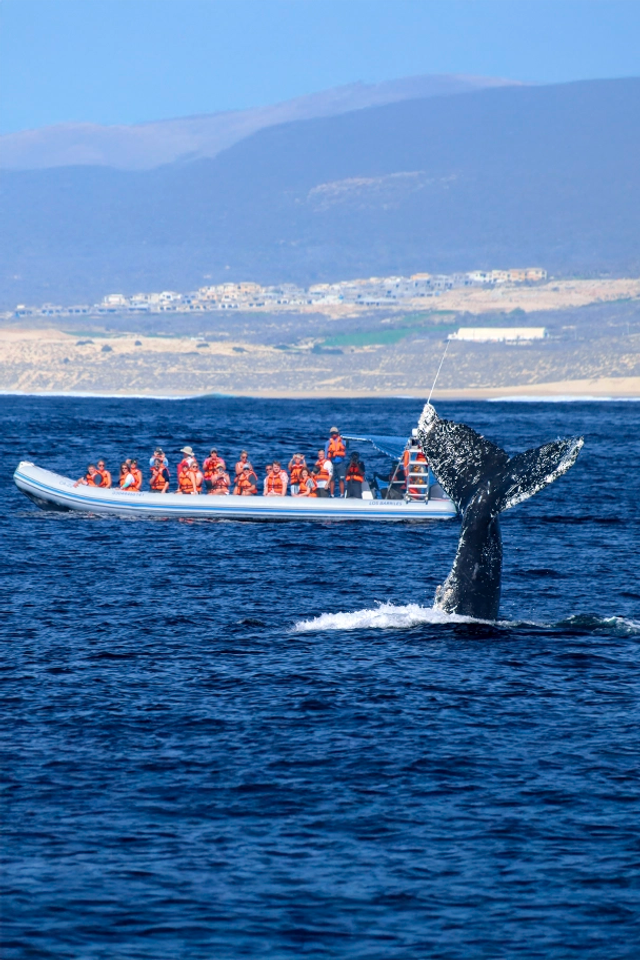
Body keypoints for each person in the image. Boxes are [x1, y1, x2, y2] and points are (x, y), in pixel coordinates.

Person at [325, 426, 347, 496]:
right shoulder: (328, 442)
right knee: (332, 480)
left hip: (340, 463)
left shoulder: (343, 441)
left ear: (338, 433)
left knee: (341, 479)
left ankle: (342, 494)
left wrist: (347, 441)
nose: (333, 434)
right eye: (332, 433)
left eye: (335, 433)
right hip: (332, 463)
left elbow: (347, 448)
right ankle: (332, 494)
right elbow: (326, 453)